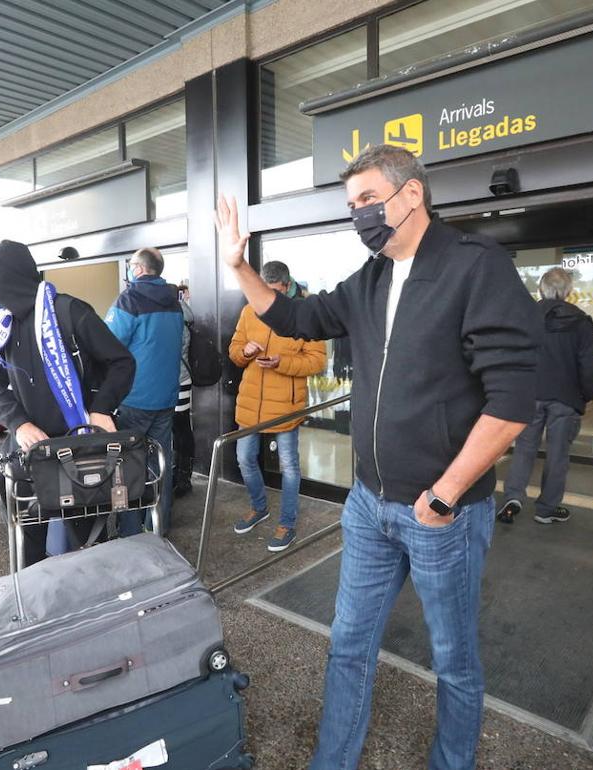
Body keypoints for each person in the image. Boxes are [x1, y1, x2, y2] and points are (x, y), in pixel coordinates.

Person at [214, 144, 540, 770]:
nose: (359, 213)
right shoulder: (371, 278)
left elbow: (512, 404)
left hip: (441, 513)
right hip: (368, 505)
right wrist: (238, 266)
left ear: (411, 193)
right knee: (348, 643)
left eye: (368, 199)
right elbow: (296, 316)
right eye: (352, 205)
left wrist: (444, 496)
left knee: (454, 661)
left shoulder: (475, 267)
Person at [0, 240, 135, 566]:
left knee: (88, 545)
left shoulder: (69, 312)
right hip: (30, 453)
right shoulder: (3, 326)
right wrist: (20, 424)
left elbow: (122, 363)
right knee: (28, 543)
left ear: (10, 280)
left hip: (80, 449)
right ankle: (35, 592)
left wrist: (102, 408)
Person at [228, 261, 326, 552]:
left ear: (287, 285)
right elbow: (234, 351)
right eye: (265, 290)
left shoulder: (304, 313)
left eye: (276, 292)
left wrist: (282, 363)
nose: (270, 298)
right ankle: (259, 508)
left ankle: (287, 523)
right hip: (251, 403)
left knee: (289, 467)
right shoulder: (249, 310)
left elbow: (317, 362)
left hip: (286, 405)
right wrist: (245, 352)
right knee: (244, 459)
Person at [498, 267, 593, 525]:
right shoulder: (580, 322)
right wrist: (588, 393)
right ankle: (546, 509)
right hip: (566, 398)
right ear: (568, 291)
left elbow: (512, 356)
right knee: (558, 455)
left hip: (530, 395)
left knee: (524, 448)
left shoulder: (525, 317)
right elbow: (589, 364)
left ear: (540, 290)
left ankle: (513, 497)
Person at [104, 247, 185, 534]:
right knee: (160, 462)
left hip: (134, 398)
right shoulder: (175, 302)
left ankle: (130, 532)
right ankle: (159, 527)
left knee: (128, 466)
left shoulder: (129, 299)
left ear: (138, 269)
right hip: (166, 397)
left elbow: (107, 345)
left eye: (130, 265)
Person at [173, 282, 195, 497]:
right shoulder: (183, 316)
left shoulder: (177, 318)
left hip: (177, 379)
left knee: (179, 427)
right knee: (181, 427)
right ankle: (181, 474)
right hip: (181, 379)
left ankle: (182, 476)